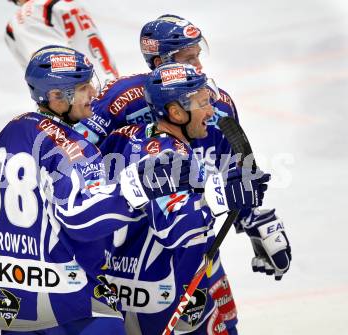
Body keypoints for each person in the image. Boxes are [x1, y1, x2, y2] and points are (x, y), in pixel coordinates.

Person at [75, 14, 292, 334]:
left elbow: (237, 165)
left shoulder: (213, 103)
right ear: (160, 60)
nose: (199, 66)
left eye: (197, 55)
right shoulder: (120, 100)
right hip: (131, 252)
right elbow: (75, 152)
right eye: (188, 58)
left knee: (223, 324)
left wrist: (255, 218)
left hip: (190, 243)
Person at [0, 46, 195, 335]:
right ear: (56, 97)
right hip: (73, 302)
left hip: (12, 301)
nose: (94, 95)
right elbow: (79, 218)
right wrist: (138, 187)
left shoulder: (12, 130)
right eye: (83, 87)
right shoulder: (76, 149)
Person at [98, 62, 271, 335]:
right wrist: (225, 195)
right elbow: (177, 231)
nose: (211, 111)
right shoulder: (174, 157)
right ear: (176, 113)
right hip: (160, 291)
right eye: (202, 103)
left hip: (115, 283)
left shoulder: (123, 137)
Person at [5, 0, 118, 84]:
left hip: (88, 102)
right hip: (114, 89)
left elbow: (50, 67)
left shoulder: (30, 14)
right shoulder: (68, 3)